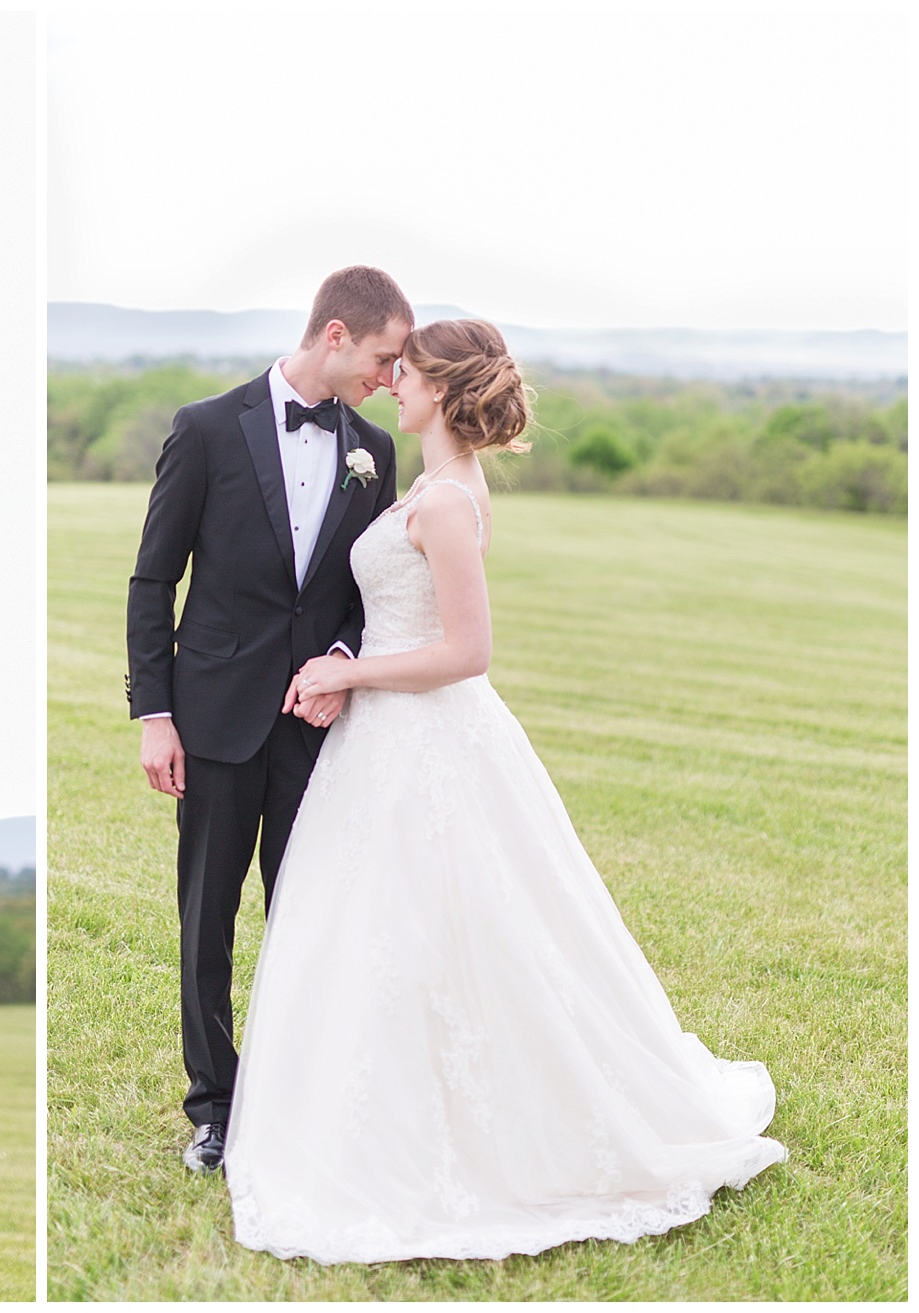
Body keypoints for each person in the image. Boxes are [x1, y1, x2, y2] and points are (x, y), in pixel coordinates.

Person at [223, 319, 787, 1262]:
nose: (389, 385)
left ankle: (472, 1135)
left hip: (427, 744)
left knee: (446, 928)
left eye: (403, 375)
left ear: (441, 390)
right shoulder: (432, 485)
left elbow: (467, 652)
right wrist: (342, 659)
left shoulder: (445, 504)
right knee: (388, 931)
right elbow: (405, 622)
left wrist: (348, 676)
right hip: (388, 745)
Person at [126, 266, 413, 1172]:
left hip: (313, 725)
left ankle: (299, 1097)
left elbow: (366, 590)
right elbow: (151, 578)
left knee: (306, 913)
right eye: (381, 355)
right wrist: (154, 713)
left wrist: (338, 662)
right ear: (334, 335)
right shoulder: (207, 428)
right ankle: (214, 1106)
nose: (388, 375)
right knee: (205, 920)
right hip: (210, 717)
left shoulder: (374, 447)